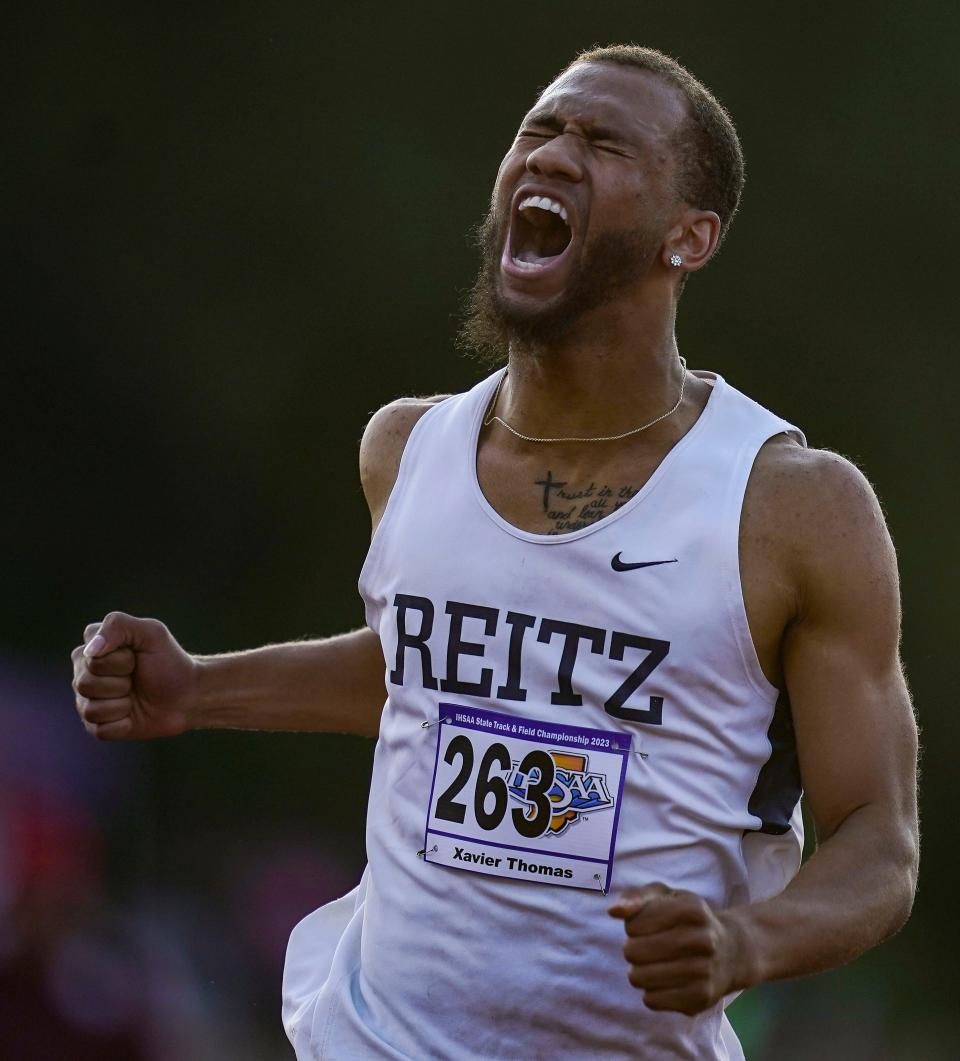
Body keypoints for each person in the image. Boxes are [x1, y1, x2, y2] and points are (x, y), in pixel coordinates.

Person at [71, 44, 919, 1060]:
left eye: (604, 142)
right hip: (373, 1036)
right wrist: (197, 688)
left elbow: (878, 840)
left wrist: (746, 939)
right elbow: (439, 671)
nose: (553, 154)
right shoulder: (406, 449)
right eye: (539, 130)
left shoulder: (789, 505)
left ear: (690, 237)